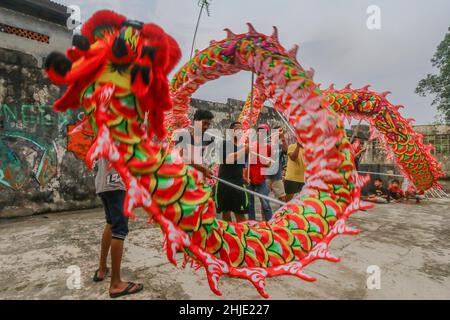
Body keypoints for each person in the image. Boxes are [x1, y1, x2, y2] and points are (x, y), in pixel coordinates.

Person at [94, 158, 143, 298]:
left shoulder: (104, 134)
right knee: (119, 230)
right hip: (117, 182)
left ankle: (102, 269)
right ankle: (115, 284)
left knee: (110, 223)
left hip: (103, 183)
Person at [215, 122, 249, 222]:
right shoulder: (225, 144)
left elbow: (242, 166)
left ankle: (244, 235)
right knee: (226, 214)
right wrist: (244, 150)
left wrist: (245, 177)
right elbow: (228, 159)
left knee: (241, 215)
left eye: (241, 129)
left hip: (238, 184)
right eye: (237, 129)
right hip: (224, 183)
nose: (240, 131)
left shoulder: (243, 147)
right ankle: (229, 235)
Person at [175, 109, 215, 178]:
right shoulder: (183, 135)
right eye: (204, 123)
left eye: (208, 124)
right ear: (196, 121)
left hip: (198, 178)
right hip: (181, 176)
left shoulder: (209, 140)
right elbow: (181, 156)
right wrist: (203, 169)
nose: (206, 127)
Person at [246, 123, 273, 221]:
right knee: (250, 204)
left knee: (266, 204)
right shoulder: (250, 146)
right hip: (250, 178)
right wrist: (246, 177)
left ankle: (271, 224)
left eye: (263, 132)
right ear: (257, 133)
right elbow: (246, 163)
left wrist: (268, 163)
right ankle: (252, 223)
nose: (261, 134)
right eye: (259, 131)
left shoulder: (268, 148)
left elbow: (270, 163)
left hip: (261, 179)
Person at [266, 126, 288, 202]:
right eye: (279, 131)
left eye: (281, 132)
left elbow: (286, 151)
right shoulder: (266, 143)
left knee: (282, 198)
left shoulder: (280, 145)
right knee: (264, 200)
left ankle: (282, 213)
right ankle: (265, 214)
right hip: (266, 176)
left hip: (277, 176)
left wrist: (283, 138)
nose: (280, 133)